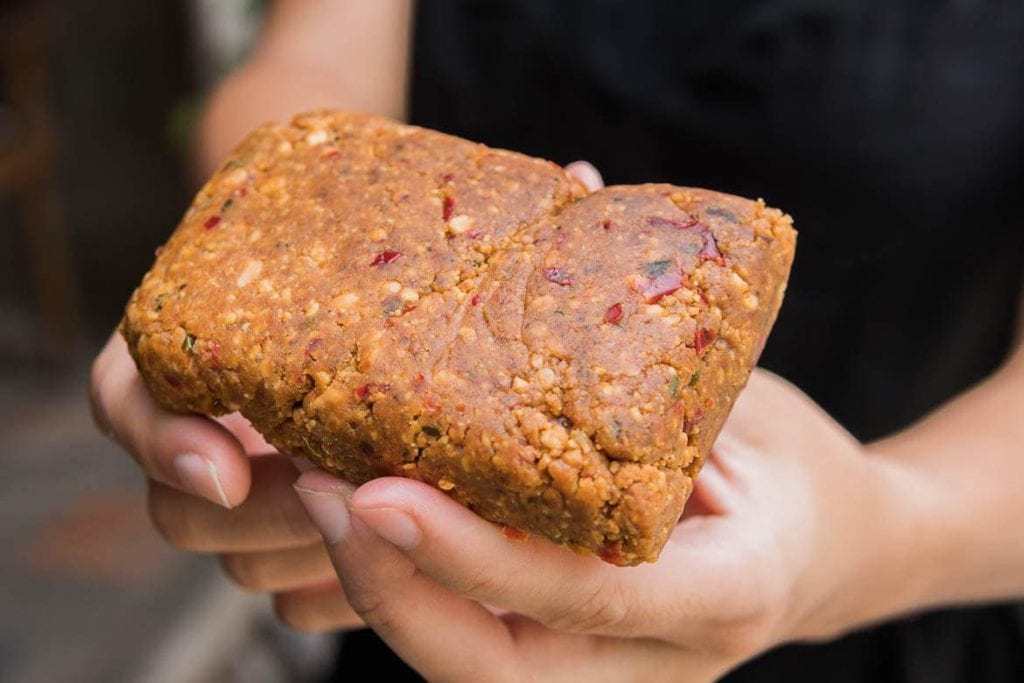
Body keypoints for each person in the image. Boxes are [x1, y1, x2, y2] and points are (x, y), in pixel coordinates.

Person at [89, 1, 1024, 680]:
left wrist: (877, 533)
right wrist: (259, 267)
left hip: (898, 589)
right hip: (420, 589)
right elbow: (309, 74)